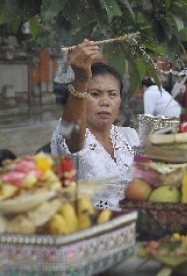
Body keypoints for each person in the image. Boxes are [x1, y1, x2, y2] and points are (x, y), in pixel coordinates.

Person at [50, 39, 140, 210]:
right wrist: (81, 80)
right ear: (83, 97)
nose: (105, 102)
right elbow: (73, 139)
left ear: (120, 100)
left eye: (112, 94)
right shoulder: (67, 131)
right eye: (95, 94)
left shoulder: (129, 136)